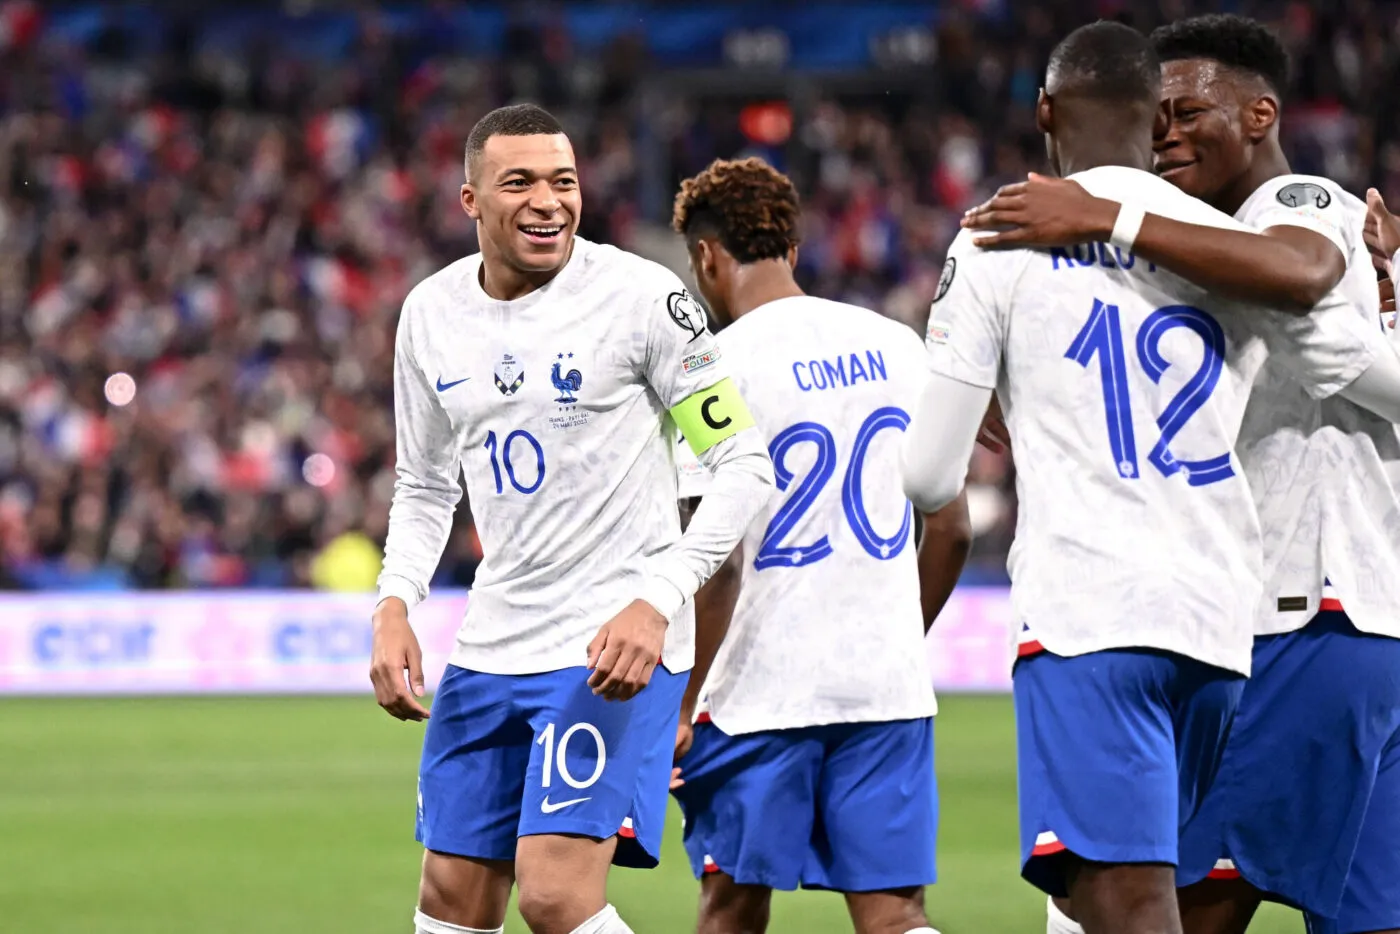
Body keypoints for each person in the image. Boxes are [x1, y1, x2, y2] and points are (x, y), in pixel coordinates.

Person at [900, 20, 1393, 934]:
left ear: (1045, 110)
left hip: (1155, 614)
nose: (1172, 132)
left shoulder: (1013, 232)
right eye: (1164, 113)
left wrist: (981, 381)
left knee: (1138, 904)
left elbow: (930, 475)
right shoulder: (1221, 242)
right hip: (1226, 625)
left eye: (1190, 111)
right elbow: (1319, 323)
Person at [370, 103, 775, 934]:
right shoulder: (431, 315)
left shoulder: (642, 299)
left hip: (609, 642)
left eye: (563, 181)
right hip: (491, 645)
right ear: (470, 201)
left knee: (555, 895)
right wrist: (393, 603)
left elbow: (743, 463)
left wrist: (657, 598)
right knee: (451, 900)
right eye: (518, 182)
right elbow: (422, 486)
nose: (547, 200)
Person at [665, 157, 971, 934]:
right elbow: (953, 526)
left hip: (759, 690)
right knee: (895, 912)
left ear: (706, 258)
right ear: (793, 251)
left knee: (731, 905)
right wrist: (901, 633)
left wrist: (684, 698)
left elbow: (720, 561)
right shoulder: (898, 346)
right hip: (884, 686)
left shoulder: (710, 373)